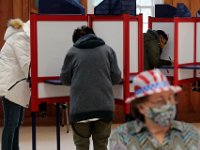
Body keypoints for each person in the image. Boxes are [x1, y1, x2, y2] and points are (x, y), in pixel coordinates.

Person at [60, 25, 121, 150]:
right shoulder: (108, 50)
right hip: (104, 107)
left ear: (76, 40)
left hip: (80, 108)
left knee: (81, 145)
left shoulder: (72, 52)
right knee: (101, 145)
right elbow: (116, 78)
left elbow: (65, 79)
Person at [110, 69, 200, 150]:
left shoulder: (190, 134)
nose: (168, 105)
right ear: (141, 107)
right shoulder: (123, 137)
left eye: (170, 98)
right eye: (160, 101)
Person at [0, 18, 30, 150]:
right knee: (11, 123)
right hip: (12, 85)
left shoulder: (19, 37)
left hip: (14, 84)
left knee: (15, 123)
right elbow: (26, 65)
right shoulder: (20, 39)